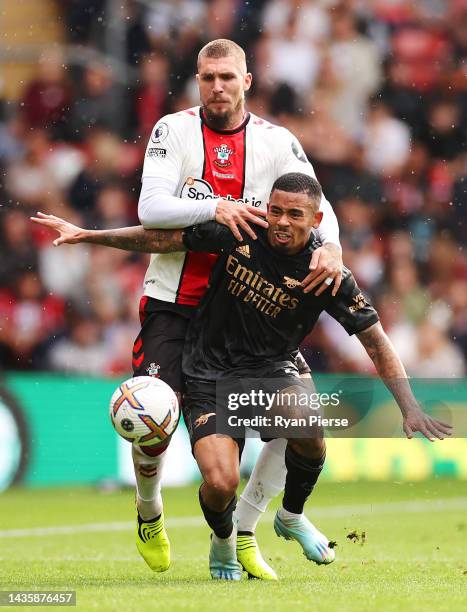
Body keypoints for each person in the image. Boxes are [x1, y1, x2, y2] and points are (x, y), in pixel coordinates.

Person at [32, 173, 451, 580]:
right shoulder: (242, 229)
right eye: (276, 211)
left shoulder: (328, 274)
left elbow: (376, 341)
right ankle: (224, 539)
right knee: (220, 482)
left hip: (271, 371)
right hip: (207, 370)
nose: (282, 222)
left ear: (317, 220)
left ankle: (290, 516)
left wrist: (409, 406)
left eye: (294, 214)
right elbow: (162, 239)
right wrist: (89, 234)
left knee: (309, 427)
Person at [128, 37, 343, 579]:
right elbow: (150, 207)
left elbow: (324, 208)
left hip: (246, 309)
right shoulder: (173, 131)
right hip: (175, 303)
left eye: (227, 77)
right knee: (151, 413)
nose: (217, 87)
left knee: (298, 422)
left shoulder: (276, 142)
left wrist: (333, 247)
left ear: (248, 80)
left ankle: (248, 529)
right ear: (197, 81)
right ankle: (149, 510)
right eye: (207, 78)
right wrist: (214, 205)